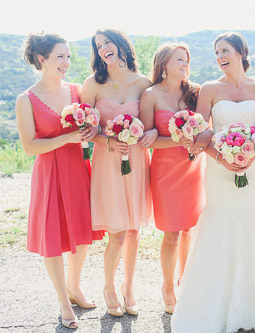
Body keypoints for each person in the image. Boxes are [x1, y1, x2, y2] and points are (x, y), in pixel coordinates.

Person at [170, 32, 255, 332]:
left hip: (254, 168)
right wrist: (222, 158)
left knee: (252, 218)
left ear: (241, 52)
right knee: (220, 219)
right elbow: (201, 133)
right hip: (218, 169)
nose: (220, 56)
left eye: (225, 50)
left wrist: (252, 155)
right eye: (217, 51)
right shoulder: (209, 89)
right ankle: (212, 302)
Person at [16, 33, 103, 329]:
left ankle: (74, 286)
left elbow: (93, 123)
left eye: (68, 56)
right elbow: (29, 146)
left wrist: (91, 130)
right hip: (49, 172)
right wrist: (66, 137)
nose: (66, 62)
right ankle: (63, 301)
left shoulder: (77, 91)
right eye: (60, 57)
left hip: (78, 167)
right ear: (42, 60)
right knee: (53, 237)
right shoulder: (26, 99)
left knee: (81, 231)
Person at [81, 29, 153, 317]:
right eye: (98, 46)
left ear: (121, 44)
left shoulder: (144, 83)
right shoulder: (93, 84)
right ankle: (109, 287)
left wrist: (147, 135)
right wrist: (110, 139)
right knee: (118, 233)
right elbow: (87, 129)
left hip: (136, 161)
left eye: (107, 42)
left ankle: (129, 287)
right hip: (108, 160)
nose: (103, 49)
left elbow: (150, 126)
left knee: (134, 231)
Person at [139, 43, 205, 314]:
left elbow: (206, 129)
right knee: (172, 233)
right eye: (179, 59)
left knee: (190, 229)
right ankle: (167, 286)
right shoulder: (150, 95)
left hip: (192, 169)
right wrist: (177, 139)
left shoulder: (196, 93)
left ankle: (185, 281)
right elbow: (147, 139)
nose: (184, 64)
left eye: (186, 60)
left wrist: (199, 140)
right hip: (166, 171)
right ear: (164, 63)